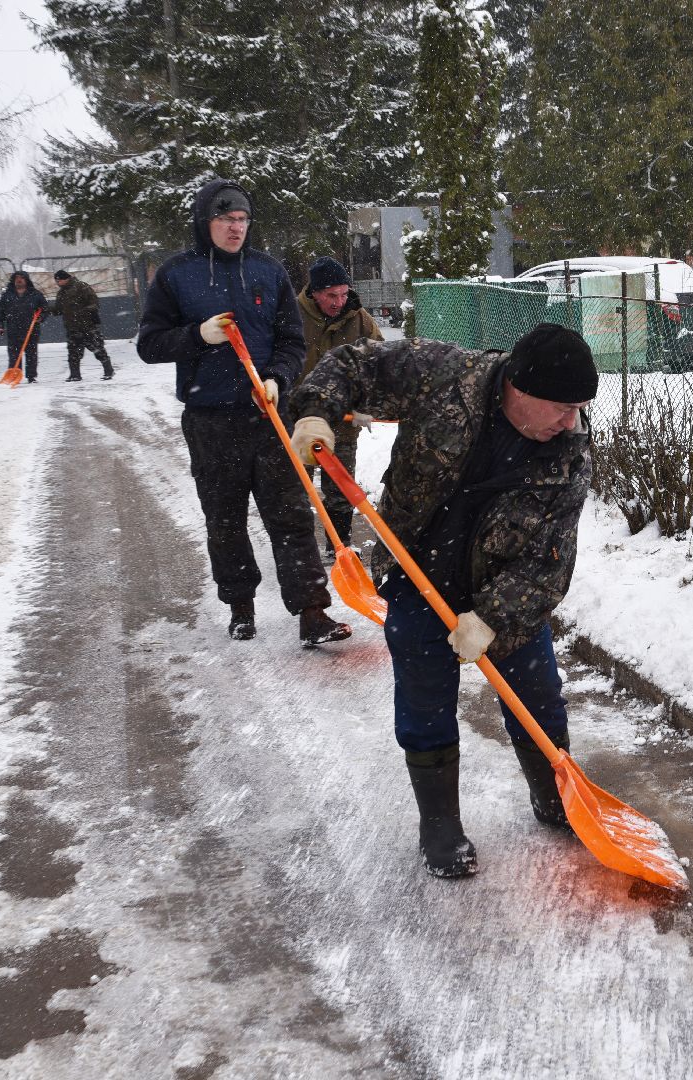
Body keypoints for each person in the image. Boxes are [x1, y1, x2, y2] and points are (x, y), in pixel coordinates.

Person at [290, 323, 598, 879]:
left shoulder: (568, 453)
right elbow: (355, 364)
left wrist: (494, 617)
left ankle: (555, 796)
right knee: (425, 698)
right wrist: (316, 410)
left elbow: (549, 561)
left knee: (538, 693)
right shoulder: (444, 375)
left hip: (501, 585)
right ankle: (440, 822)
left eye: (579, 408)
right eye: (562, 407)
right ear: (519, 389)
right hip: (417, 572)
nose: (571, 421)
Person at [136, 178, 351, 647]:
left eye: (242, 219)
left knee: (291, 514)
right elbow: (149, 346)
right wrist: (197, 335)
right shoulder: (176, 275)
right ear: (204, 221)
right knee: (225, 517)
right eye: (226, 219)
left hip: (269, 417)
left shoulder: (267, 271)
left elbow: (293, 341)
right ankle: (240, 606)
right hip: (209, 420)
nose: (236, 228)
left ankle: (312, 611)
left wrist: (278, 376)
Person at [296, 255, 382, 555]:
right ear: (315, 292)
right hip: (300, 420)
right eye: (332, 295)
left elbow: (380, 361)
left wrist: (366, 402)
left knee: (340, 485)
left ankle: (339, 545)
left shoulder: (359, 319)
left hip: (344, 418)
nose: (339, 301)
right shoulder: (292, 316)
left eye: (344, 293)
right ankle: (299, 549)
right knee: (296, 487)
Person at [50, 269, 115, 381]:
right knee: (73, 352)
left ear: (66, 279)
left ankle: (108, 370)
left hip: (87, 325)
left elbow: (94, 302)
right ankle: (75, 375)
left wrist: (84, 311)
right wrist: (47, 310)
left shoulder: (81, 287)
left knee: (97, 348)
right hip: (72, 327)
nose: (58, 283)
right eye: (57, 281)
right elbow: (58, 310)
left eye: (59, 280)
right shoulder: (61, 293)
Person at [0, 270, 47, 384]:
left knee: (31, 354)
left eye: (21, 278)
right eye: (17, 278)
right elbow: (0, 312)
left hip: (31, 329)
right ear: (13, 281)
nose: (19, 280)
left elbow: (44, 308)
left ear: (26, 280)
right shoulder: (7, 295)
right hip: (13, 330)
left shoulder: (35, 294)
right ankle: (14, 375)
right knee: (14, 354)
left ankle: (31, 376)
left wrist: (41, 317)